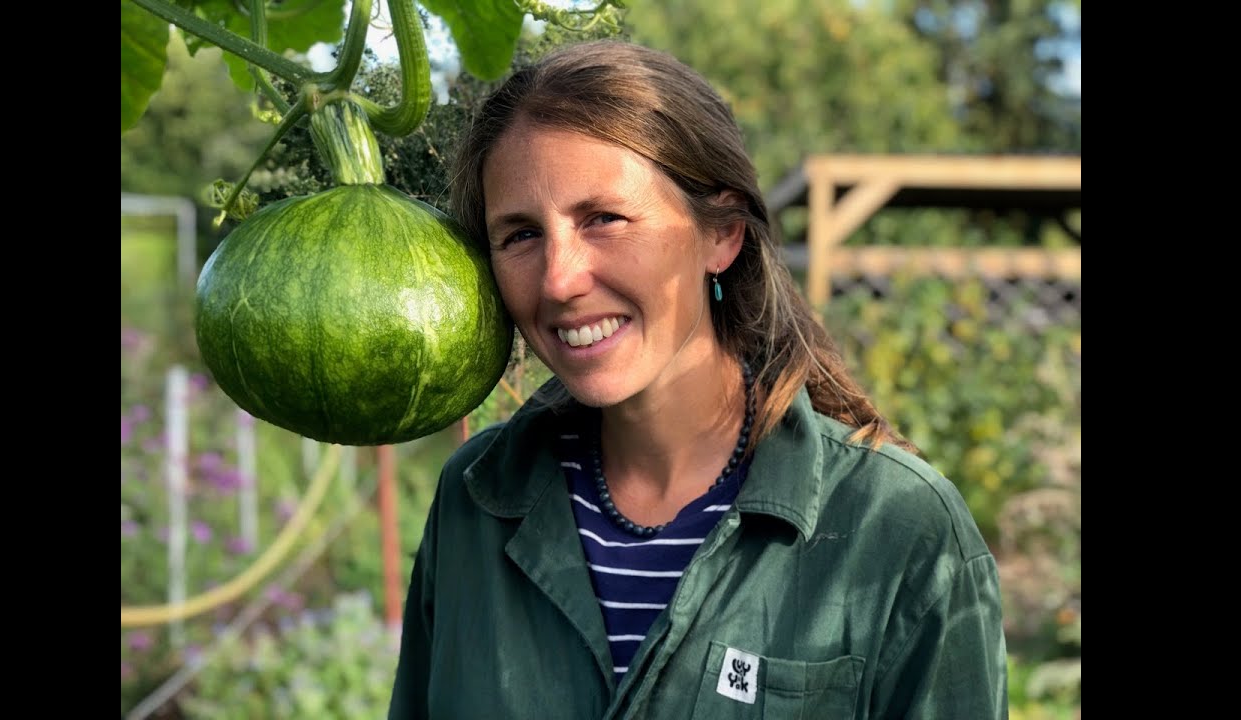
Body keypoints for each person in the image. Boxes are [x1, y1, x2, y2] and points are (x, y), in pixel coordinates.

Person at [388, 39, 1007, 720]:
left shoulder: (898, 526)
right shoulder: (475, 500)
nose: (560, 281)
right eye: (521, 235)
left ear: (723, 234)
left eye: (604, 219)